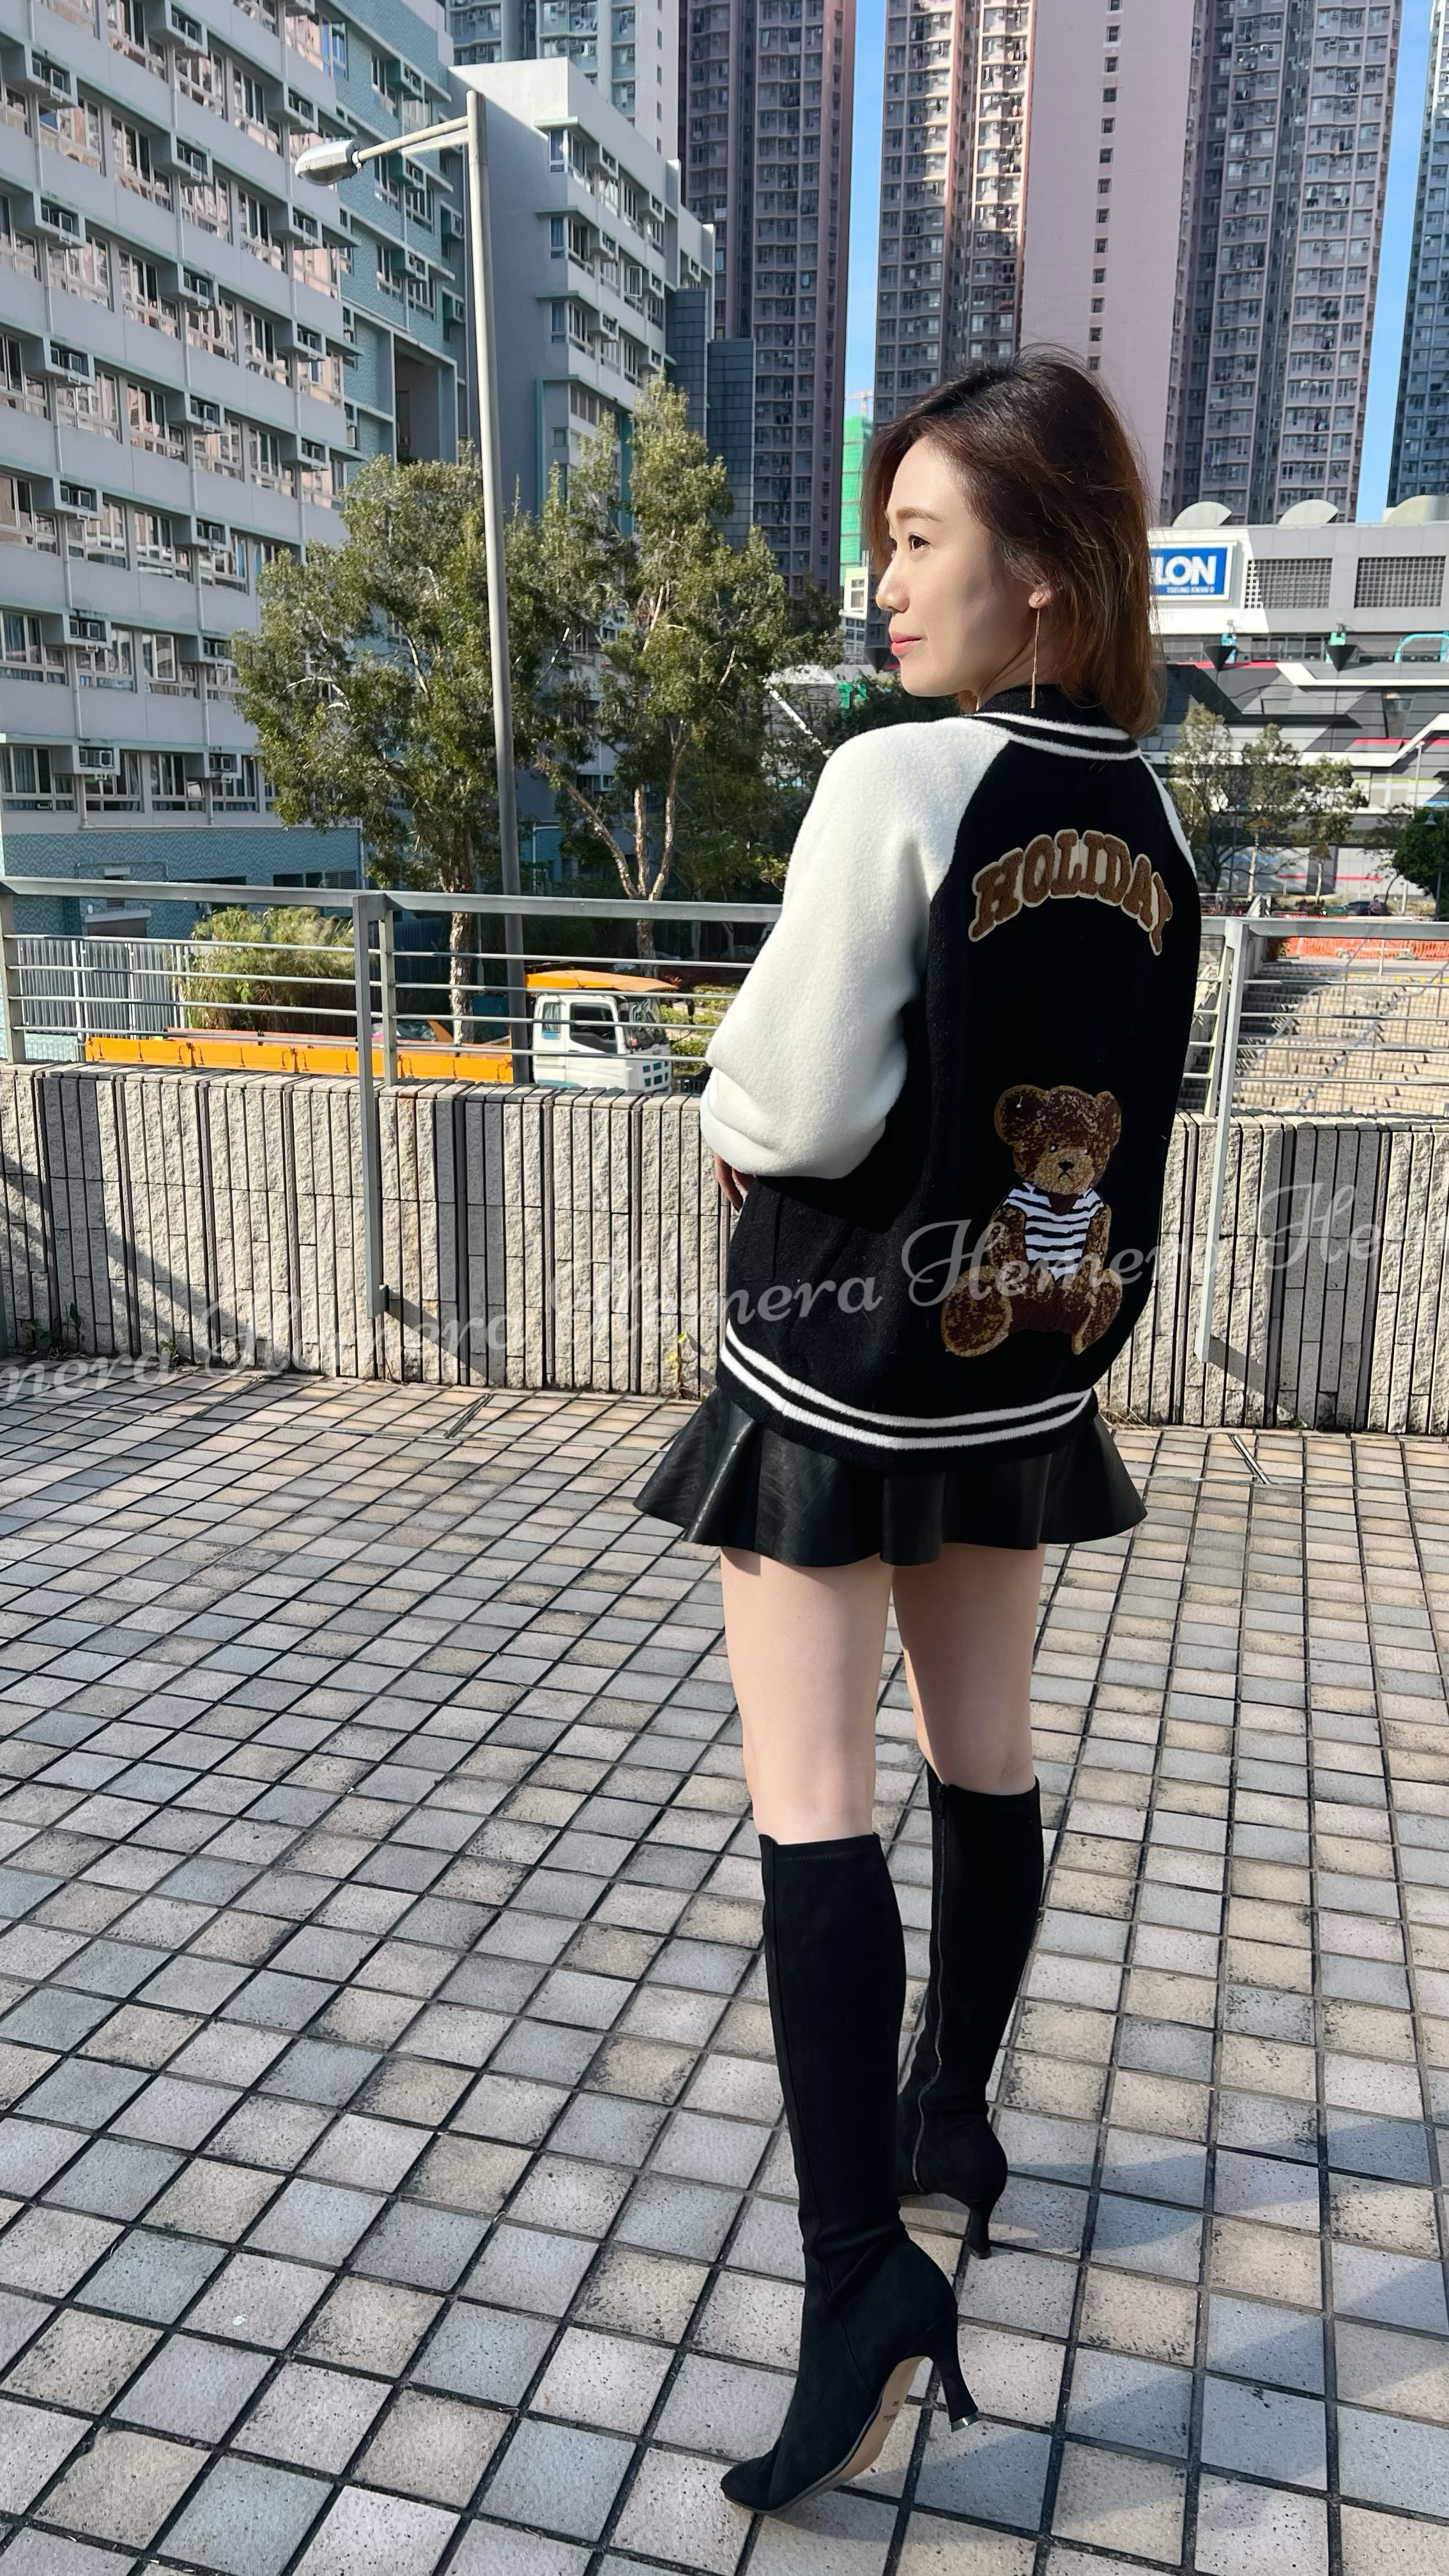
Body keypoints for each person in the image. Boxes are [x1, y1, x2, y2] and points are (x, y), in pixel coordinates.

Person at [639, 354, 1202, 2517]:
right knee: (986, 1751)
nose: (880, 584)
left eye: (916, 539)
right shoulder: (1156, 816)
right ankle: (950, 2115)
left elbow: (792, 1106)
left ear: (1039, 571)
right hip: (1024, 1354)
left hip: (839, 1356)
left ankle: (859, 2278)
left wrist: (729, 1118)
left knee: (812, 1801)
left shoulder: (898, 777)